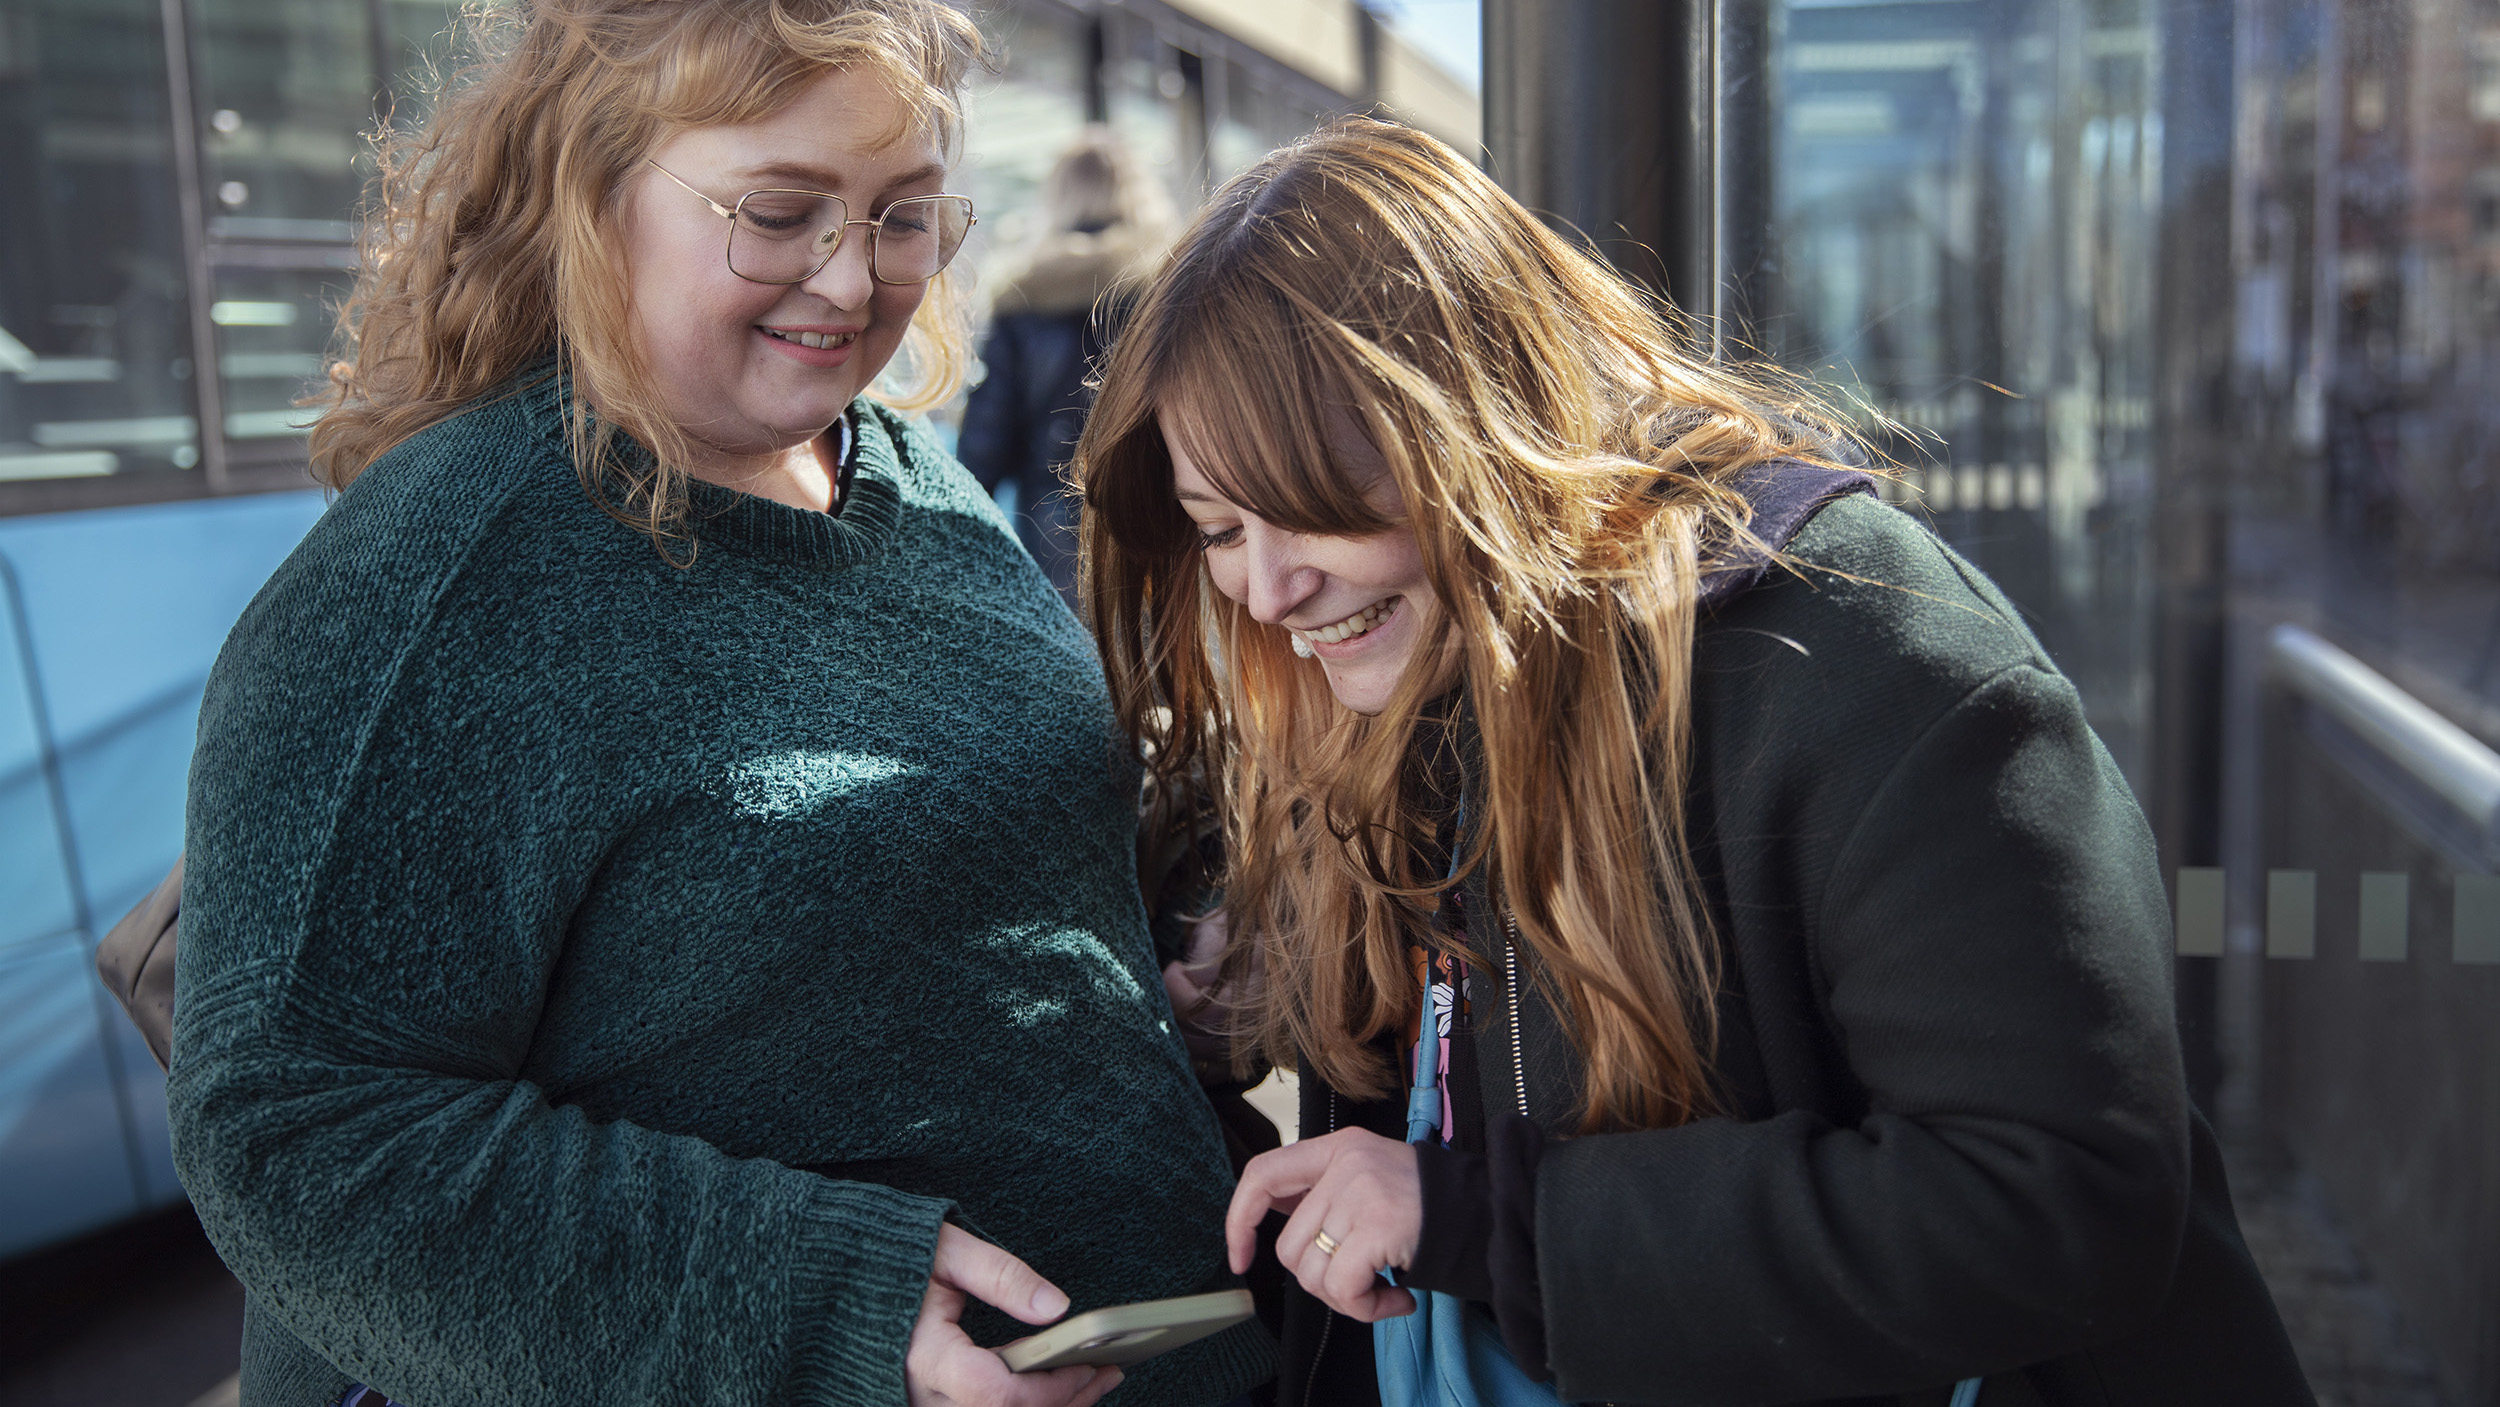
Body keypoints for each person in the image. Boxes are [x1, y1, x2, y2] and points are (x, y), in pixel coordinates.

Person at [1076, 117, 2314, 1406]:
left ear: (1476, 434)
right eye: (1221, 530)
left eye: (1315, 508)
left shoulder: (1869, 658)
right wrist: (1288, 989)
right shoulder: (1423, 668)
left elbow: (2056, 1201)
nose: (1267, 588)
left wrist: (1503, 1226)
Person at [167, 4, 1269, 1405]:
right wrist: (827, 1303)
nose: (855, 277)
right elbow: (299, 1133)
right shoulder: (431, 586)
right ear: (594, 195)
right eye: (783, 210)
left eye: (906, 217)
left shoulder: (911, 478)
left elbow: (970, 867)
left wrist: (1185, 939)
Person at [956, 128, 1163, 608]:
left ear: (1055, 199)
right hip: (1158, 509)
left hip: (1054, 525)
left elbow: (985, 445)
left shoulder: (1021, 296)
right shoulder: (1163, 289)